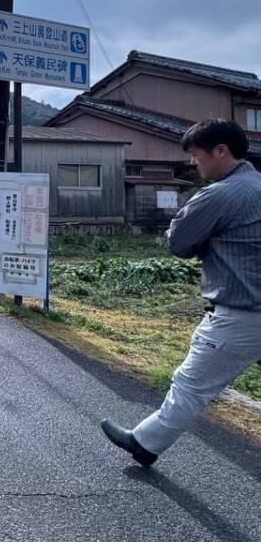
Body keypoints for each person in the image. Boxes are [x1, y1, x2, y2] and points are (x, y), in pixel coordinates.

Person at [101, 118, 261, 467]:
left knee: (191, 384)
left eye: (197, 155)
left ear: (221, 151)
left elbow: (179, 242)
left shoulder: (221, 194)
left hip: (242, 311)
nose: (193, 163)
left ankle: (145, 443)